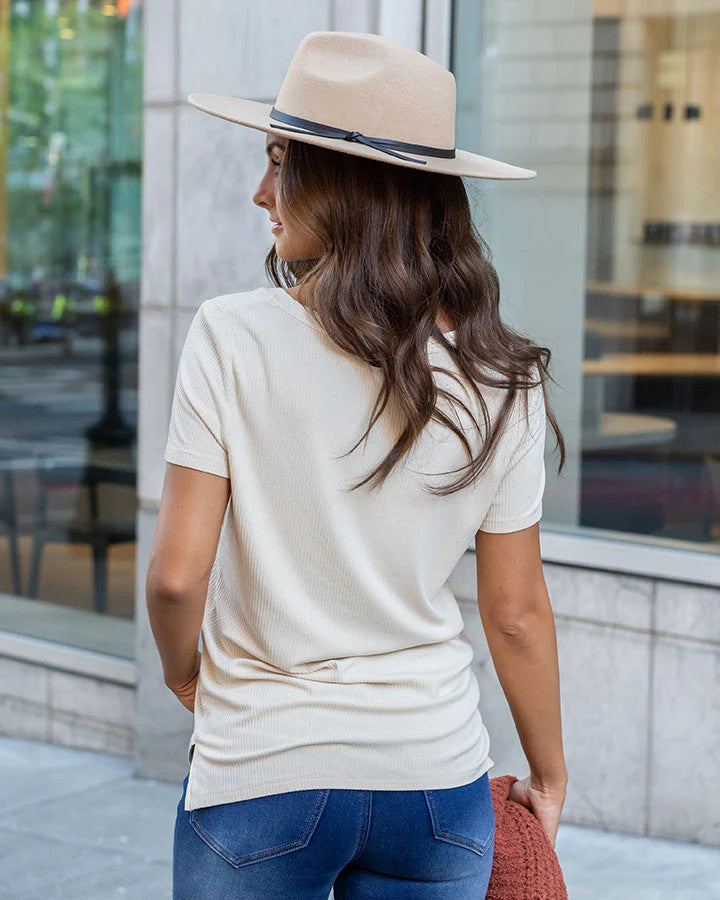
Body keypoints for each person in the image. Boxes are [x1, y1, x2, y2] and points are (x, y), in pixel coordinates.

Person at [146, 30, 568, 900]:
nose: (261, 192)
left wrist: (184, 670)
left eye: (281, 164)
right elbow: (517, 613)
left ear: (346, 188)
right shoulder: (505, 373)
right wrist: (549, 772)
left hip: (261, 769)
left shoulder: (233, 334)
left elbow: (177, 578)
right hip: (434, 779)